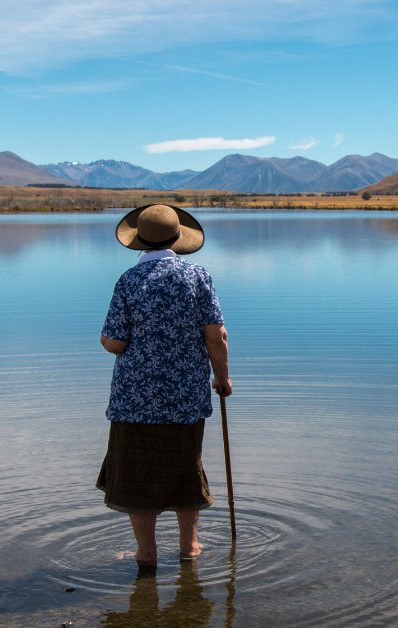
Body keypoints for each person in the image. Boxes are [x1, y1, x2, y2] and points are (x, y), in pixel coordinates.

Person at [96, 204, 231, 577]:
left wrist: (107, 339)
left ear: (140, 241)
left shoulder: (128, 281)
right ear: (178, 238)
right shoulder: (197, 277)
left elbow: (114, 342)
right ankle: (189, 547)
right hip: (184, 396)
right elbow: (216, 336)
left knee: (137, 472)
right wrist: (222, 377)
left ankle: (146, 554)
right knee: (186, 467)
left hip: (133, 399)